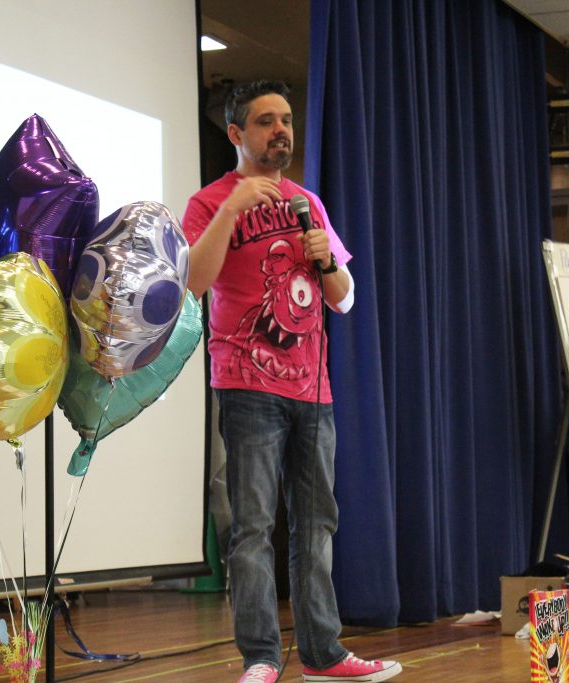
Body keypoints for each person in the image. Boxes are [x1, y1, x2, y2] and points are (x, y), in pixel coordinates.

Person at [182, 80, 402, 683]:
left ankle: (322, 655)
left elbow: (346, 300)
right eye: (264, 122)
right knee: (252, 526)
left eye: (285, 120)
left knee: (316, 525)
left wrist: (323, 257)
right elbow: (193, 284)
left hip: (313, 389)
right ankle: (259, 657)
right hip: (247, 385)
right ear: (236, 134)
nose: (281, 130)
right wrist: (232, 209)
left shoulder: (309, 202)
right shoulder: (208, 203)